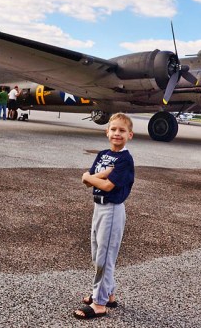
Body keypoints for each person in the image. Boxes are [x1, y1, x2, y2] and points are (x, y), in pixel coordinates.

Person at [73, 113, 135, 320]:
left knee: (104, 257)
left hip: (112, 209)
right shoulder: (102, 155)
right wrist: (100, 173)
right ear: (107, 132)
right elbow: (88, 181)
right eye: (114, 129)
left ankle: (99, 304)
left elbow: (108, 186)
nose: (117, 133)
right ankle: (108, 294)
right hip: (98, 208)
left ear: (130, 135)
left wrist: (91, 177)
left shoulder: (125, 160)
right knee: (96, 253)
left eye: (122, 130)